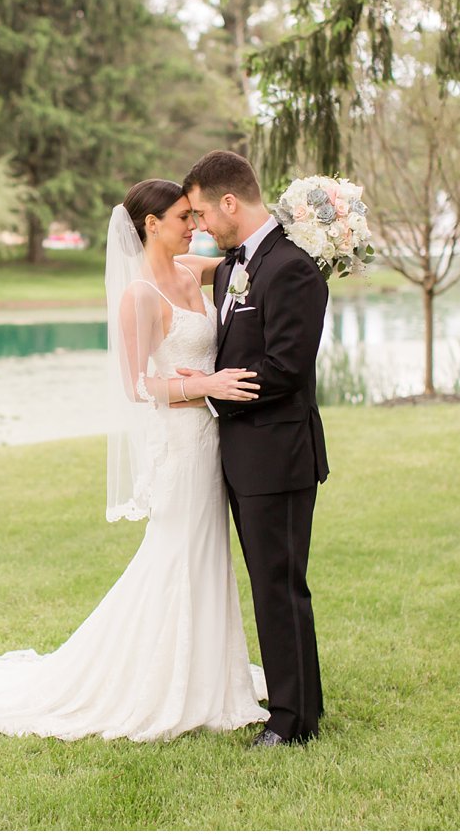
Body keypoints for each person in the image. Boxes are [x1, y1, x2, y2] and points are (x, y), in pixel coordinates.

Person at [0, 179, 269, 742]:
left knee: (208, 552)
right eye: (184, 217)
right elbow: (137, 387)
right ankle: (158, 681)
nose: (195, 226)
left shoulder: (193, 271)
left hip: (210, 441)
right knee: (174, 555)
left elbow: (250, 251)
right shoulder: (139, 296)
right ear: (151, 225)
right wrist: (206, 383)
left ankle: (211, 674)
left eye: (195, 216)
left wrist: (316, 233)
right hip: (178, 444)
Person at [178, 149, 330, 747]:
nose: (199, 226)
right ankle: (296, 704)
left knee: (279, 584)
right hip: (246, 457)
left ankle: (293, 723)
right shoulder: (241, 262)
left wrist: (212, 397)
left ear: (230, 203)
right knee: (269, 583)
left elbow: (285, 367)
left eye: (201, 213)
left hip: (278, 457)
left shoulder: (290, 267)